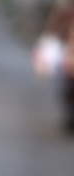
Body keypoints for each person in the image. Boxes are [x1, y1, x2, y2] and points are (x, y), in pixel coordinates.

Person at [36, 0, 74, 130]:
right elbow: (54, 26)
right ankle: (69, 116)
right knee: (67, 86)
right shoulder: (66, 10)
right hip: (68, 56)